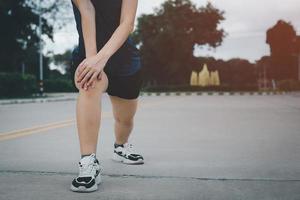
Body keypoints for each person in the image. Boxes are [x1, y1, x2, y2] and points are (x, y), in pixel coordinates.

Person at [69, 0, 144, 193]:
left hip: (123, 58)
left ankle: (121, 146)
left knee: (124, 120)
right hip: (89, 51)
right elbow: (87, 10)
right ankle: (88, 163)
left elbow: (127, 23)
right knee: (89, 85)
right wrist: (92, 61)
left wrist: (102, 58)